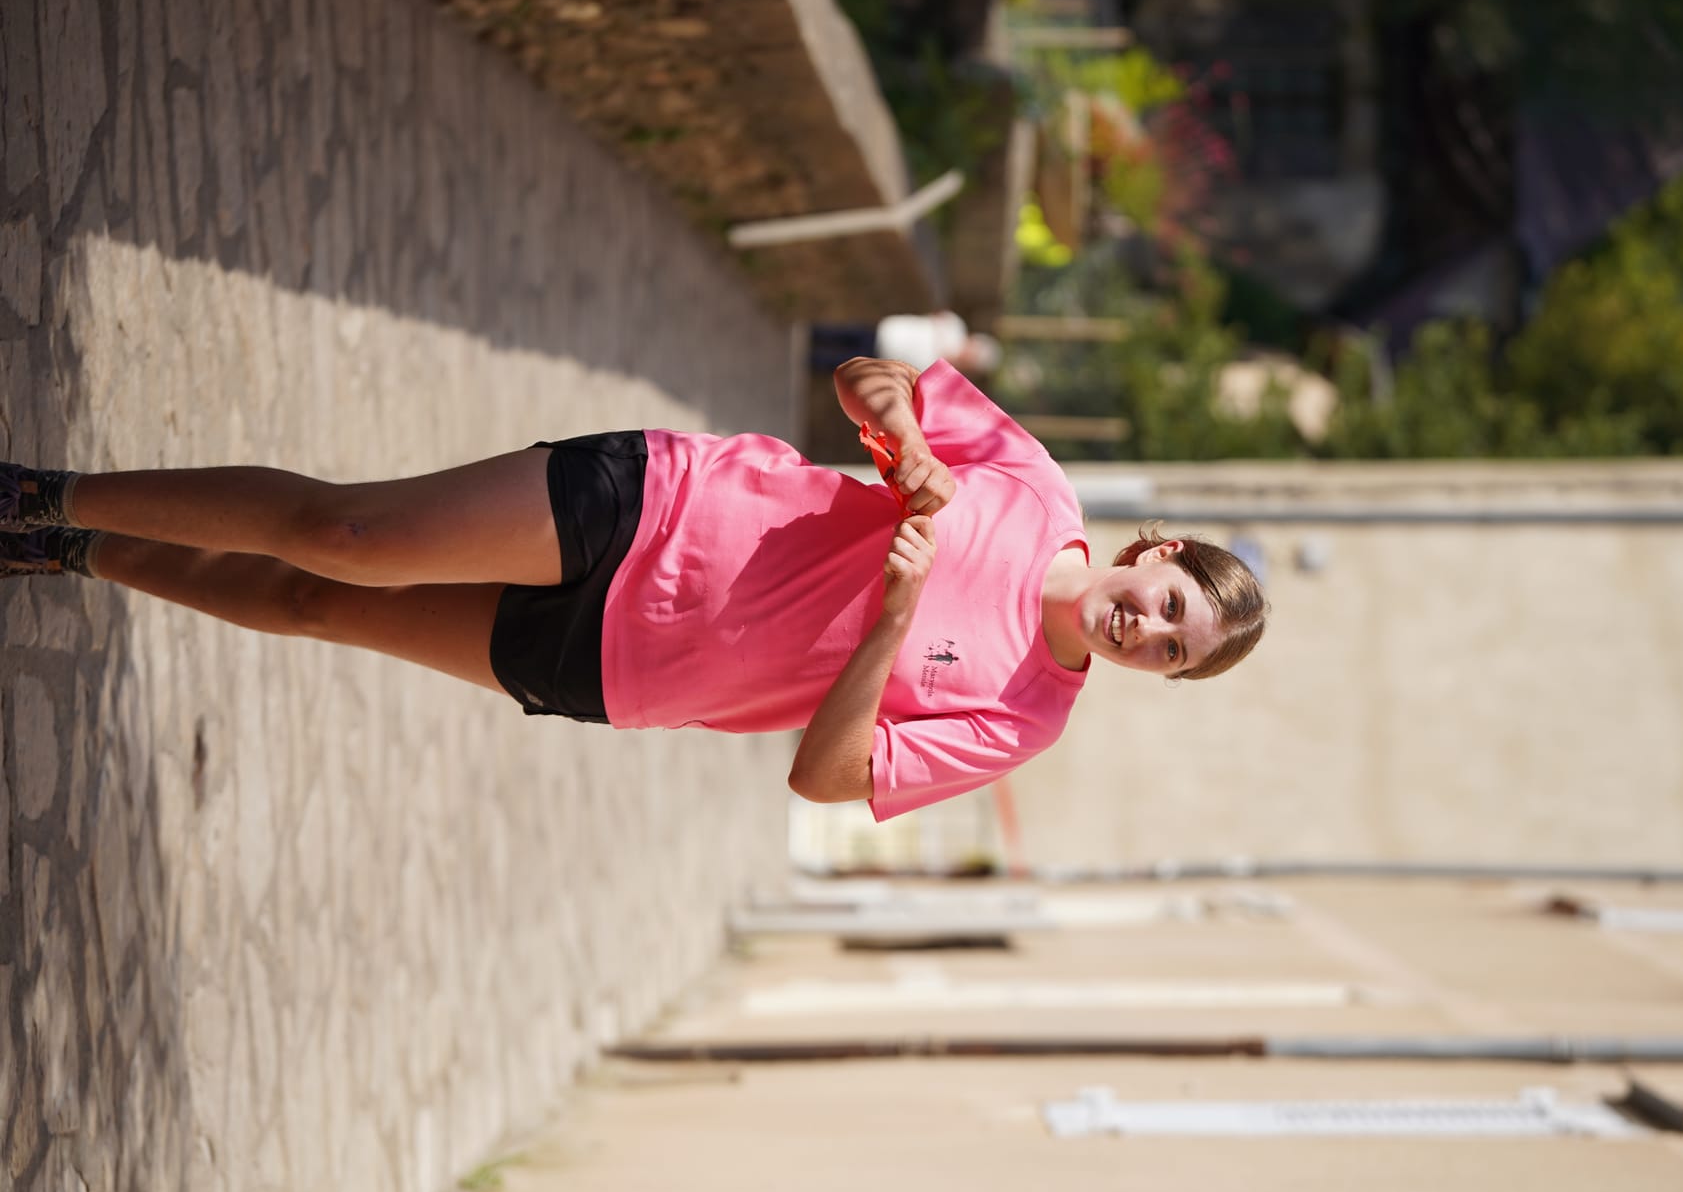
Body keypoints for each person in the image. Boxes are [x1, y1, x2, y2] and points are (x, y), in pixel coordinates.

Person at [1, 359, 1267, 817]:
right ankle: (51, 494)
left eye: (1169, 651)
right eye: (1167, 604)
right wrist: (916, 449)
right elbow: (865, 381)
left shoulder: (1024, 717)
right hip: (664, 508)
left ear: (1156, 675)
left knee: (309, 606)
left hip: (621, 671)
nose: (1145, 630)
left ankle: (72, 551)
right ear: (1154, 555)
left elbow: (823, 777)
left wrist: (889, 619)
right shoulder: (1032, 487)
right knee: (345, 532)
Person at [807, 310, 1001, 377]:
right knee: (838, 333)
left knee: (835, 361)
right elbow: (937, 316)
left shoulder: (946, 370)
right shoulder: (956, 326)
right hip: (888, 331)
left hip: (881, 358)